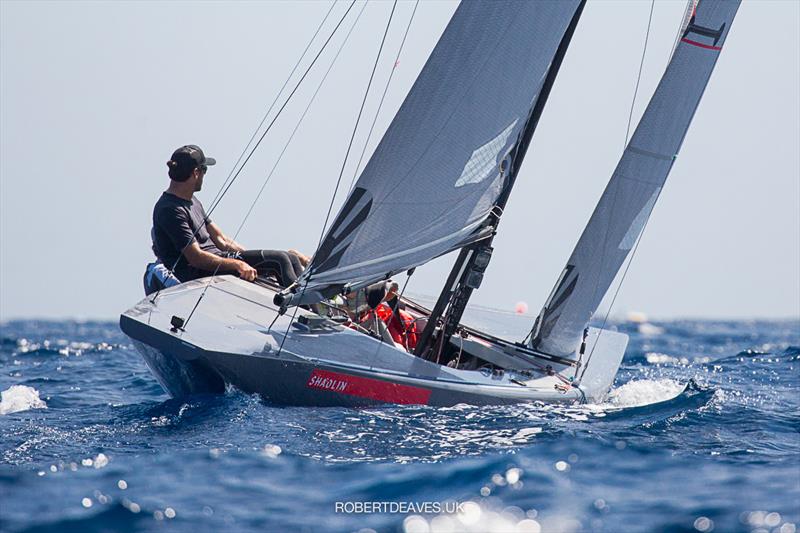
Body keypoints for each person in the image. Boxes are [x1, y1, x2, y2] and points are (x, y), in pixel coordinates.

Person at [145, 144, 309, 294]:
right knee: (279, 260)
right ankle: (302, 309)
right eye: (204, 170)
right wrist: (238, 265)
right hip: (198, 274)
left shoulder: (192, 201)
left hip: (220, 260)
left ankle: (316, 306)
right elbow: (196, 258)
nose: (204, 176)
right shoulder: (170, 209)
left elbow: (222, 240)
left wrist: (254, 260)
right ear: (196, 173)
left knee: (288, 258)